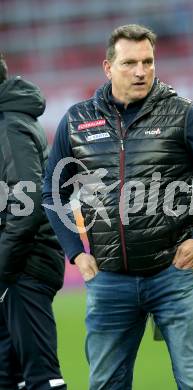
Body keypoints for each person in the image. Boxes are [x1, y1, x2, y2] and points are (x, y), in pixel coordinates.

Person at [43, 24, 193, 390]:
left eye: (148, 61)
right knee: (106, 385)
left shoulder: (183, 114)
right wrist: (74, 252)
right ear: (108, 67)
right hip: (108, 280)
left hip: (174, 275)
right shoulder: (77, 121)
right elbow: (51, 193)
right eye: (130, 62)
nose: (141, 71)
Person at [0, 54, 66, 390]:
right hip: (15, 265)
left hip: (23, 266)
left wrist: (3, 264)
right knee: (10, 377)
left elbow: (26, 204)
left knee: (41, 378)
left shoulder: (9, 124)